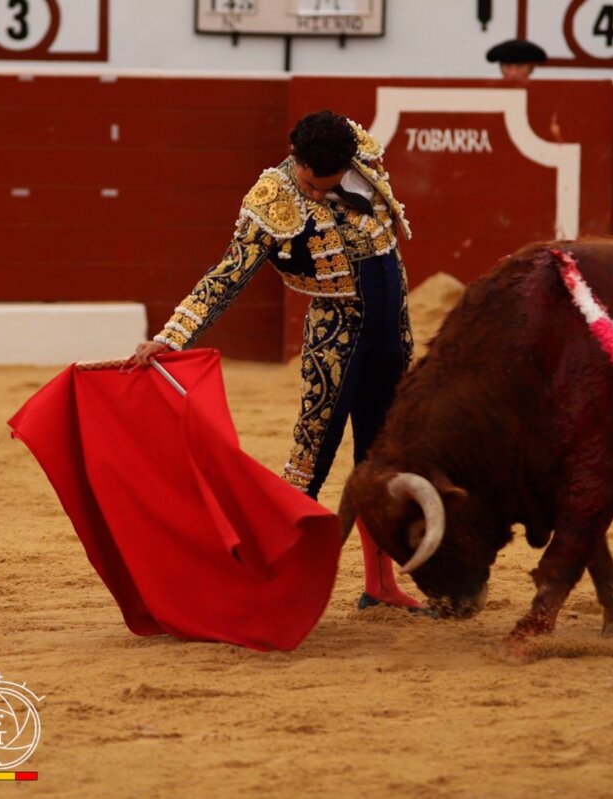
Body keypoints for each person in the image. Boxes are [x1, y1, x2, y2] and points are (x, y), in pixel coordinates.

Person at [131, 110, 423, 612]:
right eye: (308, 182)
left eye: (322, 184)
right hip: (337, 335)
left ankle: (380, 583)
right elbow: (227, 275)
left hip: (391, 332)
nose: (312, 193)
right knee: (310, 459)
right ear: (296, 160)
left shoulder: (362, 154)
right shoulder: (273, 198)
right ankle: (273, 583)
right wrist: (172, 336)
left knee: (383, 457)